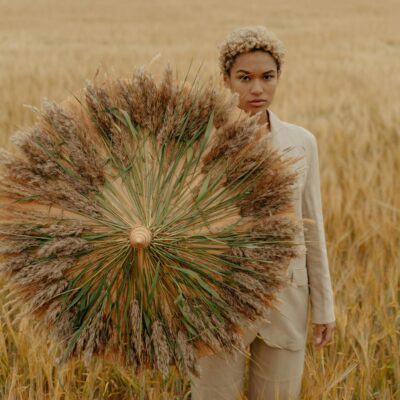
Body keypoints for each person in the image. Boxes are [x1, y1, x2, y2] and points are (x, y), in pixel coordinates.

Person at [189, 26, 336, 400]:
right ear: (226, 80)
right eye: (245, 78)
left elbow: (312, 227)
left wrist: (324, 306)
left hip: (287, 299)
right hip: (218, 300)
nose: (257, 89)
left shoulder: (302, 143)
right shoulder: (200, 141)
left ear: (278, 78)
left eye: (267, 77)